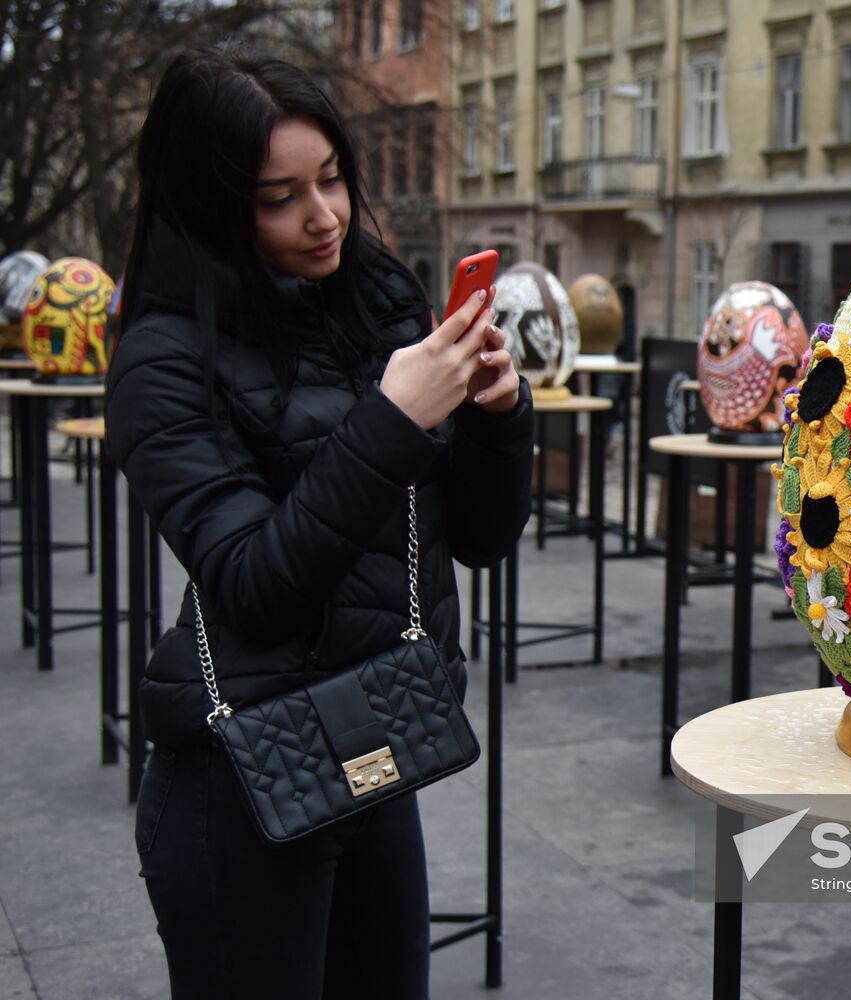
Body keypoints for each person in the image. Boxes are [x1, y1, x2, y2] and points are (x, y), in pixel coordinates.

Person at [106, 41, 533, 999]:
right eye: (278, 197)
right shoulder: (160, 363)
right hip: (239, 778)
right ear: (212, 205)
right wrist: (394, 420)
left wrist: (500, 418)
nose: (324, 215)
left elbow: (477, 539)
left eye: (333, 178)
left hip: (374, 735)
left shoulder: (372, 301)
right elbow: (257, 584)